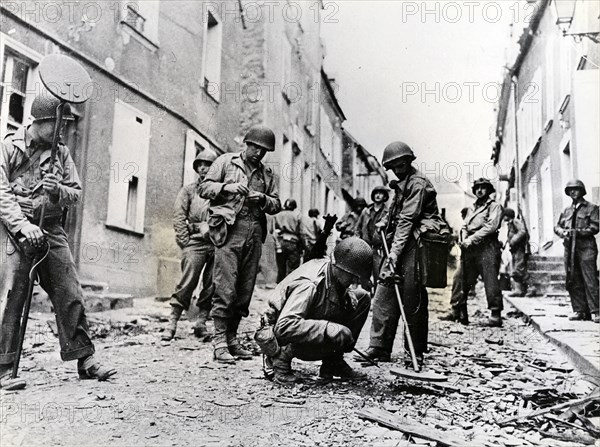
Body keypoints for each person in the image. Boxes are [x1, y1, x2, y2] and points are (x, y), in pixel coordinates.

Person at [0, 94, 115, 389]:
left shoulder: (61, 153)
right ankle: (3, 365)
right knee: (13, 292)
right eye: (59, 123)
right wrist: (24, 226)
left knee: (69, 288)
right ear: (40, 121)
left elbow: (75, 192)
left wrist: (57, 191)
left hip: (50, 229)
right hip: (15, 229)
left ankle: (85, 358)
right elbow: (1, 194)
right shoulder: (8, 147)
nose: (63, 130)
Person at [360, 142, 449, 365]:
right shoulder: (400, 185)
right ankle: (379, 347)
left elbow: (407, 221)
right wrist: (382, 221)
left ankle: (414, 351)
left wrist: (393, 256)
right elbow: (394, 213)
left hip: (416, 244)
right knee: (384, 291)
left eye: (401, 165)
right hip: (400, 241)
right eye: (393, 167)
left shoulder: (418, 184)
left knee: (412, 297)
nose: (397, 170)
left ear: (409, 161)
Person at [199, 125, 281, 363]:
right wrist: (227, 187)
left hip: (254, 230)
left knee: (244, 291)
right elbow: (204, 187)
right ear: (246, 144)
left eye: (263, 150)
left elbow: (276, 204)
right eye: (255, 147)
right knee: (225, 286)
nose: (258, 153)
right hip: (229, 229)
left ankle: (233, 340)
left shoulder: (267, 174)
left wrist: (263, 199)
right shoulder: (226, 162)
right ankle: (220, 342)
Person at [263, 237, 373, 385]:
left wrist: (347, 298)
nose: (354, 281)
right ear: (339, 267)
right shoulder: (310, 284)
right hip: (280, 335)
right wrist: (329, 328)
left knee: (362, 298)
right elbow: (284, 327)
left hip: (307, 321)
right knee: (325, 326)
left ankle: (333, 362)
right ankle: (279, 362)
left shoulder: (334, 273)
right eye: (352, 276)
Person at [163, 150, 218, 341]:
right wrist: (186, 241)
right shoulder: (189, 190)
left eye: (208, 165)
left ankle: (201, 322)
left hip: (217, 243)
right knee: (188, 281)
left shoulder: (220, 192)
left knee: (212, 284)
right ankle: (172, 321)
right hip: (195, 242)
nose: (204, 168)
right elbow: (179, 216)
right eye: (200, 165)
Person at [440, 178, 504, 327]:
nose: (480, 190)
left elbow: (491, 227)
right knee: (460, 277)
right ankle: (457, 310)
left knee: (490, 279)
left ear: (489, 190)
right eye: (477, 188)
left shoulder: (494, 207)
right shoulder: (471, 208)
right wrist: (463, 239)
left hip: (487, 246)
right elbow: (464, 226)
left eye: (483, 188)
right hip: (469, 247)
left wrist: (471, 238)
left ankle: (495, 314)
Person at [555, 179, 599, 322]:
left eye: (576, 189)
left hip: (586, 247)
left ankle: (595, 311)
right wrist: (563, 232)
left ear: (582, 191)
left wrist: (577, 232)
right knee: (572, 278)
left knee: (590, 278)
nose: (573, 192)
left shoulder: (592, 208)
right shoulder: (566, 210)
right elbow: (557, 227)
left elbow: (595, 227)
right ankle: (579, 310)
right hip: (569, 247)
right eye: (570, 190)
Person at [357, 185, 389, 292]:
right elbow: (358, 228)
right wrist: (358, 241)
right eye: (376, 193)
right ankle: (365, 298)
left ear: (385, 197)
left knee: (378, 275)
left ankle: (376, 300)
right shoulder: (365, 211)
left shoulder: (387, 213)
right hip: (365, 247)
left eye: (381, 193)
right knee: (364, 275)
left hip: (378, 249)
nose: (378, 195)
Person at [273, 199, 305, 283]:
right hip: (293, 243)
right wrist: (303, 245)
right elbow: (301, 232)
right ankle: (289, 288)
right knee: (293, 268)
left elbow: (272, 230)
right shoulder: (297, 215)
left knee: (281, 268)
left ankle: (279, 288)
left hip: (280, 243)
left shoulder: (278, 215)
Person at [502, 208, 530, 297]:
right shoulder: (510, 224)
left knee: (519, 267)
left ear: (507, 215)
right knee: (516, 267)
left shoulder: (515, 221)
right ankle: (519, 289)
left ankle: (520, 290)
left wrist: (513, 240)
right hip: (515, 249)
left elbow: (522, 231)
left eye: (504, 215)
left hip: (519, 248)